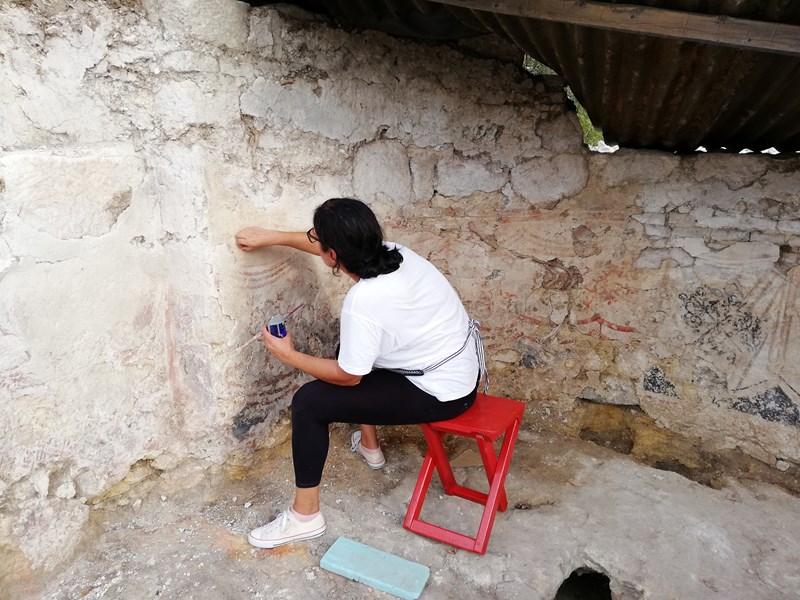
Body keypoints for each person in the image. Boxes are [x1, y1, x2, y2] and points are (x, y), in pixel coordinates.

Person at [235, 198, 486, 549]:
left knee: (309, 402)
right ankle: (370, 446)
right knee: (351, 347)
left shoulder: (363, 301)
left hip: (441, 394)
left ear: (333, 256)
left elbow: (350, 377)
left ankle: (305, 517)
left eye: (317, 238)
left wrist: (289, 355)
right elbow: (328, 246)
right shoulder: (398, 254)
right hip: (459, 369)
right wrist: (272, 237)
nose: (313, 241)